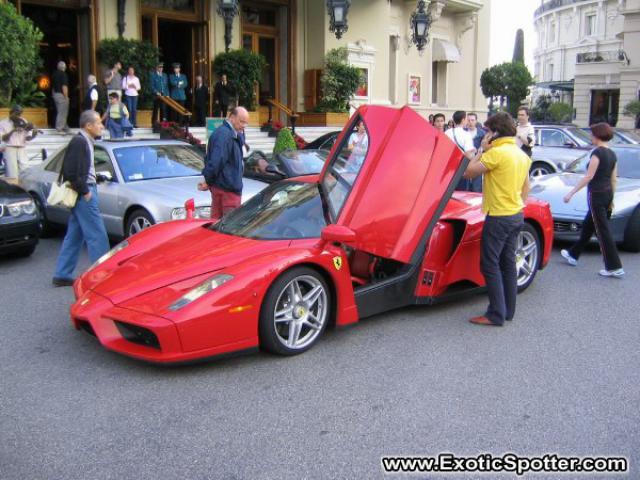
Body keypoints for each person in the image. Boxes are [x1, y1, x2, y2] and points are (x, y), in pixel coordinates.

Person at [463, 112, 531, 326]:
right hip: (516, 213)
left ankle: (495, 314)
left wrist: (482, 148)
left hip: (499, 216)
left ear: (496, 133)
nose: (486, 134)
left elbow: (468, 172)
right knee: (508, 262)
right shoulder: (521, 155)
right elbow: (526, 187)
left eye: (489, 131)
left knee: (489, 264)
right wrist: (518, 206)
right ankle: (508, 310)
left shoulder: (497, 153)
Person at [52, 110, 110, 287]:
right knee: (97, 235)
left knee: (75, 235)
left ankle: (62, 274)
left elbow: (82, 170)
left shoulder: (85, 141)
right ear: (88, 125)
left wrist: (96, 178)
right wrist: (85, 191)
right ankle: (103, 277)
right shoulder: (79, 141)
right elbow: (71, 171)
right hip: (84, 193)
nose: (101, 126)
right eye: (98, 122)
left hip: (84, 190)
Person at [561, 123, 624, 277]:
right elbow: (614, 179)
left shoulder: (597, 153)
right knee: (590, 224)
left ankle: (614, 266)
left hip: (596, 194)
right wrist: (612, 198)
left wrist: (571, 193)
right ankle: (573, 254)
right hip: (607, 193)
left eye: (592, 134)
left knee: (602, 231)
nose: (591, 137)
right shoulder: (612, 154)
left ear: (597, 136)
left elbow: (589, 176)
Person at [198, 107, 250, 220]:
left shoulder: (232, 133)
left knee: (218, 224)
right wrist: (208, 180)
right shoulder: (225, 134)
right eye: (242, 121)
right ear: (231, 118)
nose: (244, 126)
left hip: (225, 187)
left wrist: (209, 180)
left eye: (246, 123)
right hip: (227, 189)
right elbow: (216, 161)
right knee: (229, 228)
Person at [0, 105, 39, 180]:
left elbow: (28, 138)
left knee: (25, 171)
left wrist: (34, 134)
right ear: (11, 113)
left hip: (22, 148)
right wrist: (13, 131)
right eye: (17, 114)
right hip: (9, 148)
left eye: (20, 114)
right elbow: (3, 138)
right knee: (12, 173)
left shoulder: (23, 121)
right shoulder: (3, 123)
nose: (19, 116)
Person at [445, 111, 477, 191]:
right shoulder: (466, 135)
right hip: (461, 169)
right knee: (461, 193)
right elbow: (469, 155)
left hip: (448, 168)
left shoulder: (447, 132)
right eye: (466, 118)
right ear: (463, 120)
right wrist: (474, 152)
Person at [465, 112, 486, 192]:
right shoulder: (463, 132)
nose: (470, 122)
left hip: (477, 160)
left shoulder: (482, 133)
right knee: (465, 182)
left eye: (472, 120)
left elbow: (485, 146)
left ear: (476, 121)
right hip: (465, 160)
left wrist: (480, 149)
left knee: (476, 183)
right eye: (469, 120)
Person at [52, 61, 70, 134]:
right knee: (62, 111)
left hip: (55, 94)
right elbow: (64, 86)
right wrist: (66, 97)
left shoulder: (54, 74)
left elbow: (53, 87)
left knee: (60, 111)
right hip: (61, 95)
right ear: (64, 67)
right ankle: (60, 128)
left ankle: (65, 126)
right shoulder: (63, 74)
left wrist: (53, 95)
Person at [150, 62, 169, 128]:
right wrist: (156, 92)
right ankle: (154, 123)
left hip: (163, 96)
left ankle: (164, 123)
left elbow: (166, 86)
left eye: (162, 67)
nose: (161, 69)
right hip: (157, 96)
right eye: (159, 67)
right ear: (157, 68)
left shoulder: (164, 75)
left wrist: (167, 94)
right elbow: (152, 86)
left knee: (164, 109)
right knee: (156, 109)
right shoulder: (153, 75)